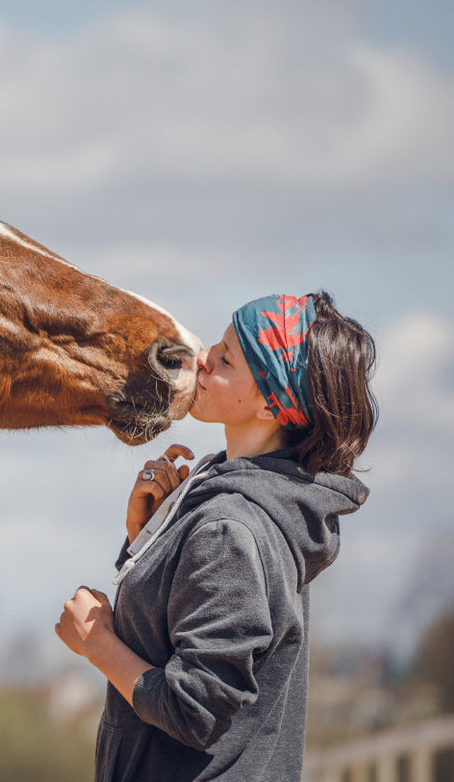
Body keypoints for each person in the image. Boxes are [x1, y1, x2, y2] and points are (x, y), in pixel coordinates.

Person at [55, 291, 377, 782]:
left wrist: (96, 642)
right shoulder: (246, 502)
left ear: (274, 404)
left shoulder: (231, 528)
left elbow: (194, 709)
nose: (200, 358)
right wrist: (148, 538)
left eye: (225, 359)